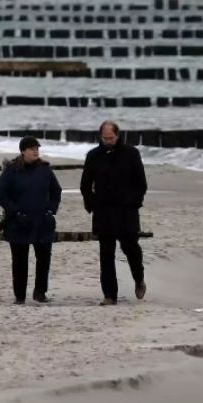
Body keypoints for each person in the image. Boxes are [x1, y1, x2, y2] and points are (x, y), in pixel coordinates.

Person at [80, 120, 148, 306]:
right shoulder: (93, 156)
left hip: (127, 212)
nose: (108, 141)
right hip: (103, 212)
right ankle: (110, 295)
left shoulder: (131, 154)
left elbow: (141, 183)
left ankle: (139, 279)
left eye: (111, 138)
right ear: (100, 137)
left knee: (131, 249)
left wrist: (134, 203)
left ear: (118, 135)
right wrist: (92, 205)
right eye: (105, 138)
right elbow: (85, 185)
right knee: (106, 254)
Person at [0, 137, 63, 305]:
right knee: (19, 261)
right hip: (19, 222)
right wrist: (15, 211)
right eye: (32, 148)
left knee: (44, 259)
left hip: (42, 222)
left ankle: (40, 293)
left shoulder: (45, 170)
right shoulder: (11, 171)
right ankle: (20, 296)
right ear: (23, 151)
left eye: (37, 148)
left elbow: (56, 191)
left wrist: (50, 210)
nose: (35, 151)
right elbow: (0, 194)